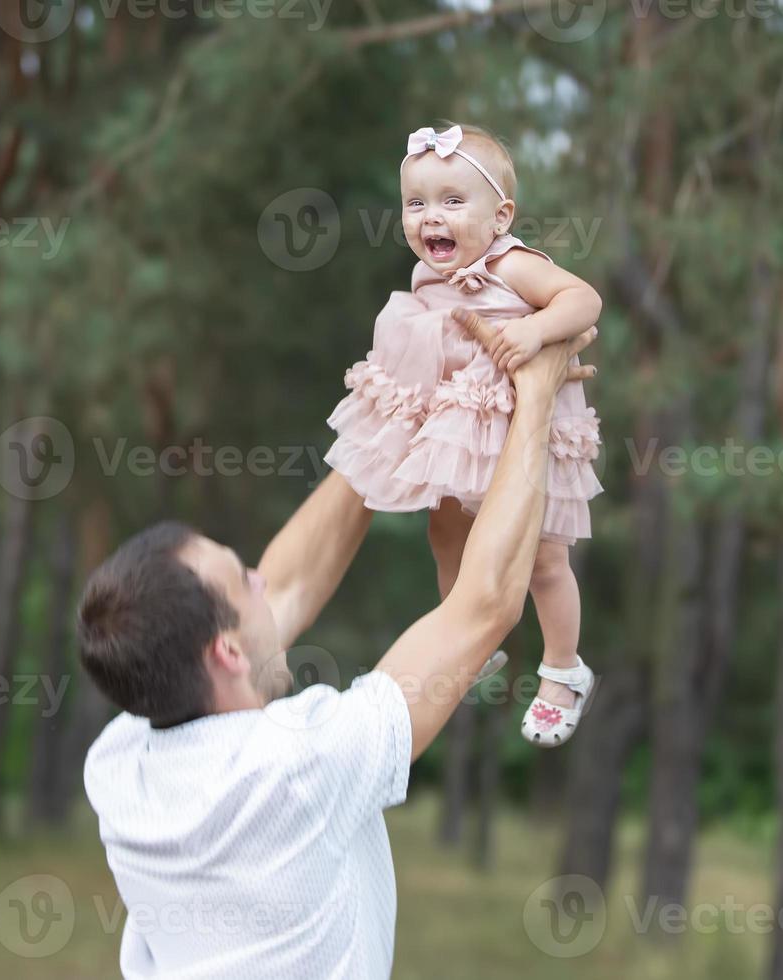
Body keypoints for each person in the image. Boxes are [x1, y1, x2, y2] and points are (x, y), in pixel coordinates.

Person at [78, 311, 596, 978]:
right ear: (227, 654)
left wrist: (401, 395)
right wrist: (536, 394)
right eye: (243, 579)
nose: (262, 576)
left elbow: (287, 586)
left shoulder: (121, 762)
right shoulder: (295, 769)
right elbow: (485, 605)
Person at [324, 123, 603, 746]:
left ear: (500, 216)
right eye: (417, 203)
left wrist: (536, 332)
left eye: (453, 201)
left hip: (526, 429)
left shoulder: (512, 264)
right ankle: (466, 637)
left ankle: (563, 668)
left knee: (544, 559)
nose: (431, 218)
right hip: (465, 432)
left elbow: (583, 300)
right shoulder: (427, 278)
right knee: (445, 529)